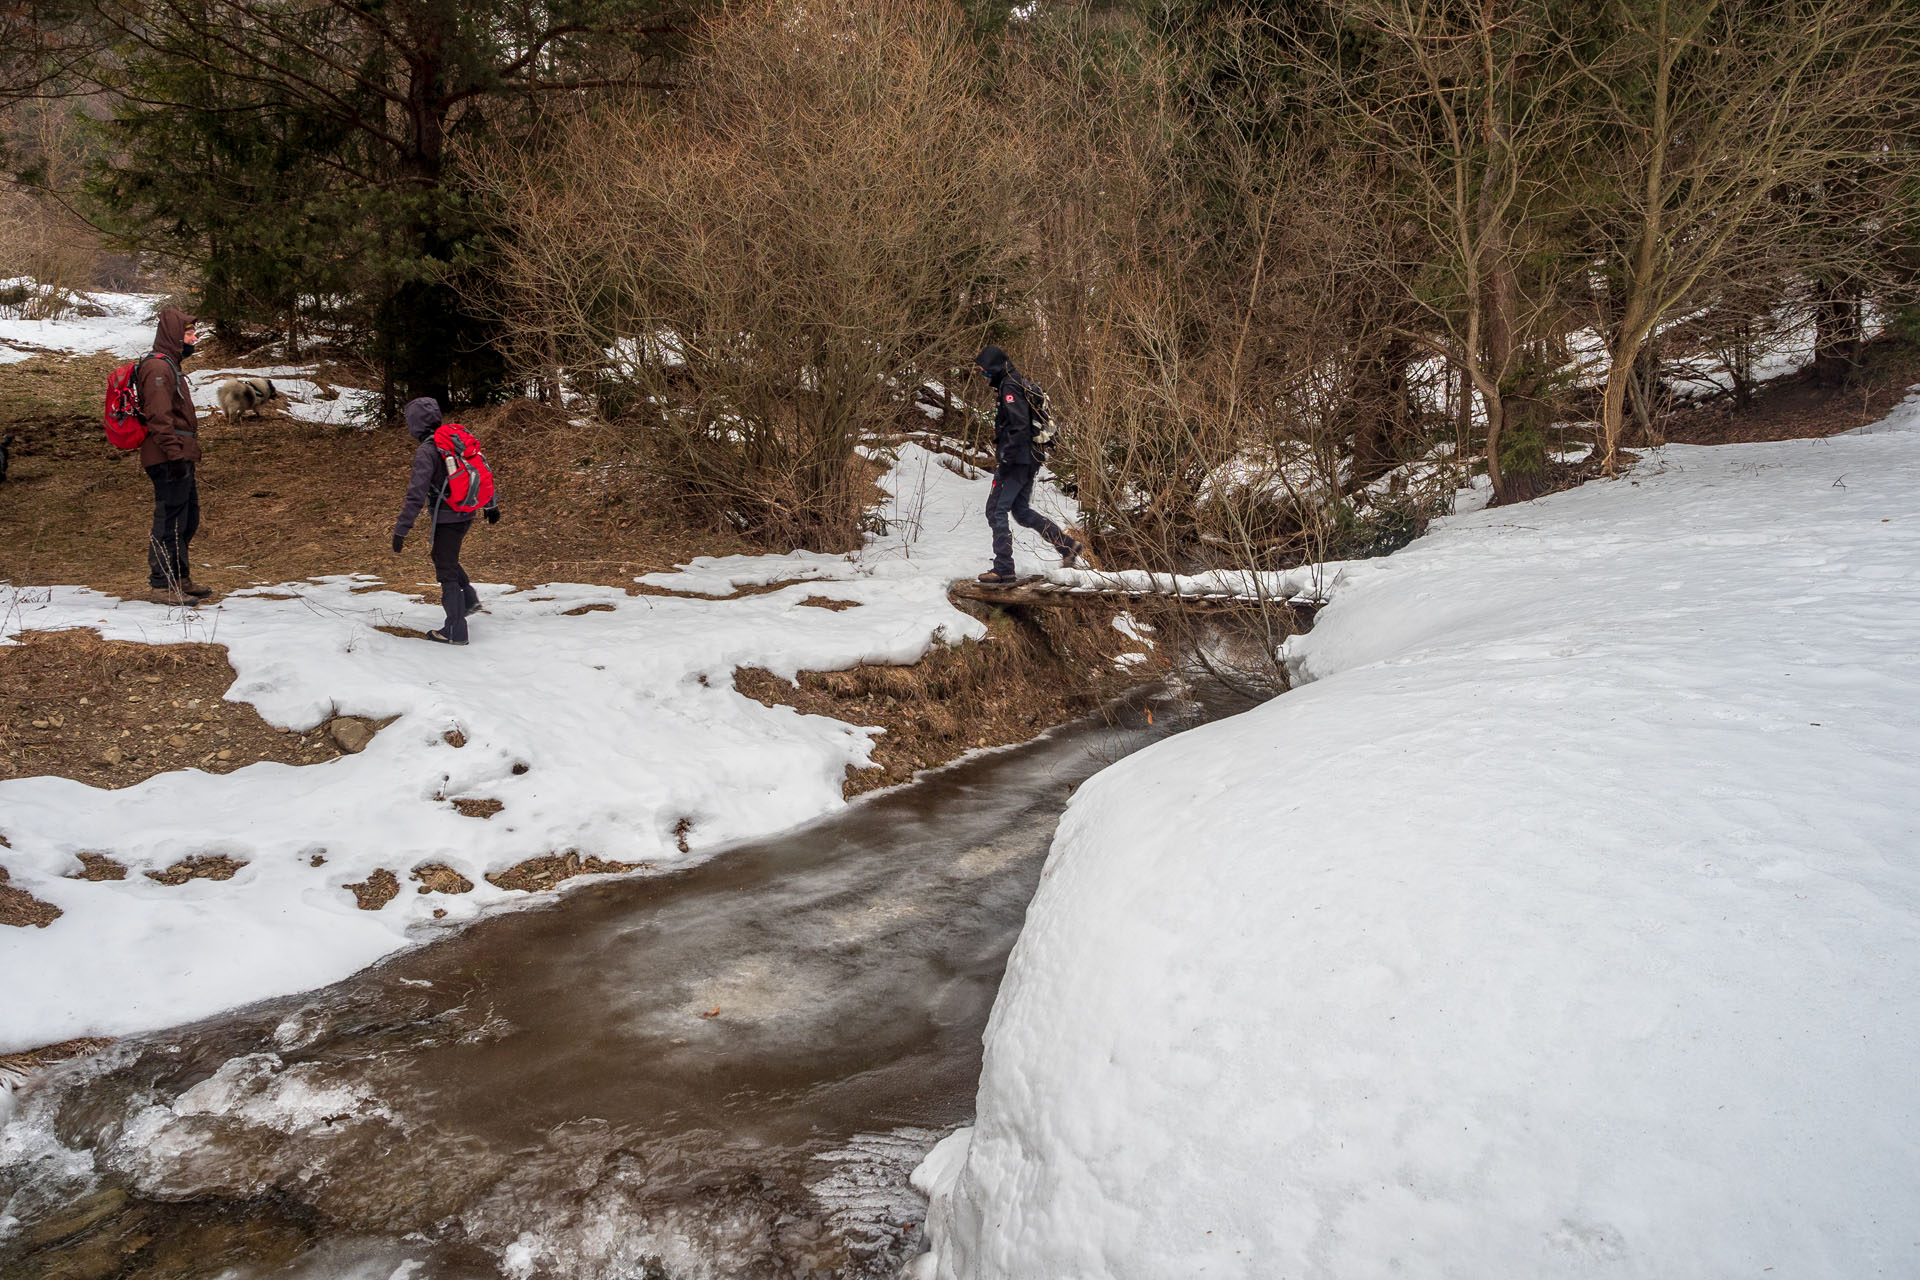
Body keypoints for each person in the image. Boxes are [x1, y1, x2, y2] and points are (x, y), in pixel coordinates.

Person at [391, 396, 498, 645]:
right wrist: (491, 504)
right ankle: (469, 600)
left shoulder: (427, 450)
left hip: (448, 517)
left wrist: (401, 529)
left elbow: (415, 494)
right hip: (466, 512)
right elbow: (483, 470)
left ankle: (455, 631)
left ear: (415, 424)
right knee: (444, 556)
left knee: (445, 568)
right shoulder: (455, 439)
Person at [974, 344, 1083, 585]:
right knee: (1021, 512)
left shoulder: (1010, 386)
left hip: (1017, 460)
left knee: (996, 510)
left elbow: (1019, 425)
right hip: (1030, 457)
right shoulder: (1016, 381)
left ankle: (1003, 569)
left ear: (993, 367)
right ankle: (1067, 546)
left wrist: (1006, 457)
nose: (983, 375)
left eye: (984, 370)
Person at [138, 307, 209, 605]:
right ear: (173, 335)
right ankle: (162, 585)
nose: (194, 338)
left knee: (187, 519)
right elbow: (158, 417)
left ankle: (179, 578)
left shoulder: (171, 366)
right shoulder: (158, 369)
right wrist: (174, 455)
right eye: (189, 333)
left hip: (179, 454)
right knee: (169, 521)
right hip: (168, 457)